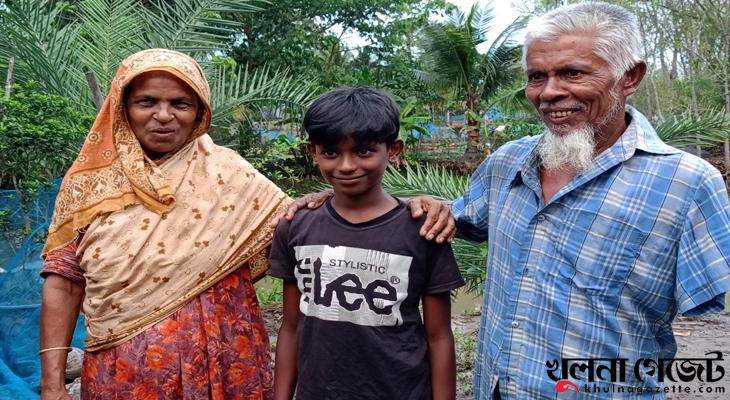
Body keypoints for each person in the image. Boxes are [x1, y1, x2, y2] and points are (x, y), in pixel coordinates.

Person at [278, 3, 730, 399]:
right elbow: (435, 219)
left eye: (572, 73)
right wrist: (342, 195)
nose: (550, 92)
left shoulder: (686, 185)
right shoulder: (507, 164)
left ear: (629, 76)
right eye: (538, 76)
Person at [39, 49, 289, 400]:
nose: (163, 116)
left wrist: (333, 203)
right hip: (126, 373)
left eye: (181, 104)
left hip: (227, 366)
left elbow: (294, 227)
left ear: (200, 111)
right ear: (122, 106)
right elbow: (63, 282)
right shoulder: (88, 186)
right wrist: (52, 385)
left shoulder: (231, 175)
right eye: (146, 101)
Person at [268, 87, 465, 400]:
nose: (346, 165)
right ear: (313, 152)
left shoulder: (423, 230)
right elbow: (291, 327)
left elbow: (439, 336)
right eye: (331, 152)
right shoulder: (296, 226)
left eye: (363, 151)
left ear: (394, 150)